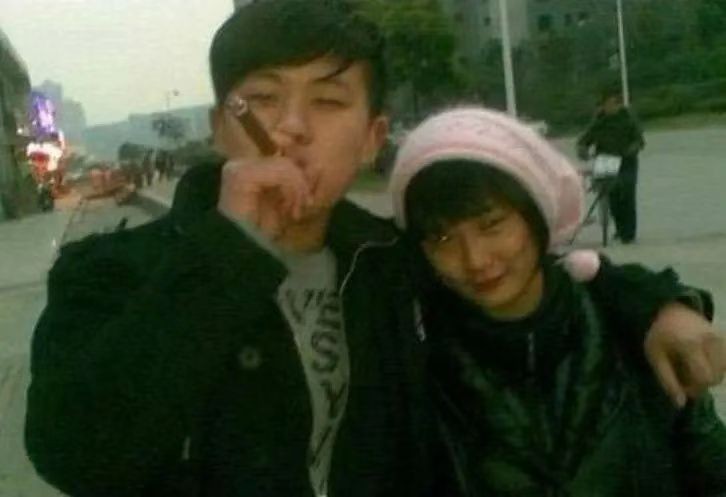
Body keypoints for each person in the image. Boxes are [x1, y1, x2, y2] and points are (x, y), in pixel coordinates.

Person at [25, 2, 725, 496]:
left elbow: (541, 283)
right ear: (219, 127)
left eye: (328, 102)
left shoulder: (391, 262)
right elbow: (78, 457)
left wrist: (658, 307)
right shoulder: (111, 272)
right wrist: (225, 250)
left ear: (371, 138)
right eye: (262, 99)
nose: (291, 128)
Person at [390, 106, 726, 497]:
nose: (475, 260)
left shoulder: (632, 327)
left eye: (492, 224)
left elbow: (710, 469)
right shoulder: (416, 363)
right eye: (443, 239)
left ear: (537, 213)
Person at [577, 89, 645, 244]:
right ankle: (619, 229)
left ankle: (628, 233)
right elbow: (585, 139)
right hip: (605, 160)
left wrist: (631, 150)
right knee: (611, 196)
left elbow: (639, 141)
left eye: (612, 104)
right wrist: (582, 150)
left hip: (627, 161)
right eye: (606, 105)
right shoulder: (599, 121)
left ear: (619, 105)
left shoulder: (628, 119)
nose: (609, 108)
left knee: (627, 195)